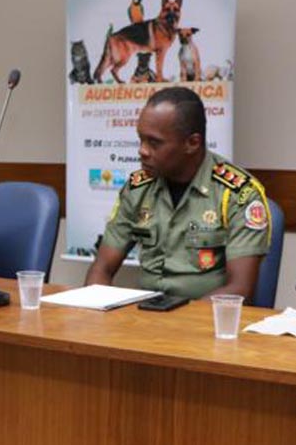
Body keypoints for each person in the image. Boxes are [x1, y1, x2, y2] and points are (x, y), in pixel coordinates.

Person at [85, 86, 270, 300]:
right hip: (144, 318)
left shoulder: (239, 194)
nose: (142, 151)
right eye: (141, 139)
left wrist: (175, 321)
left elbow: (239, 290)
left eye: (154, 142)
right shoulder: (138, 188)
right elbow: (102, 268)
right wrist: (94, 313)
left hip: (203, 323)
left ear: (192, 143)